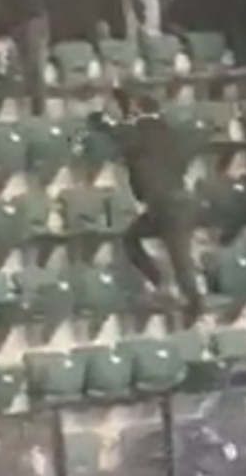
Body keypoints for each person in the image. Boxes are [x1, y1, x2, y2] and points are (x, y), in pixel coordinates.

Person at [88, 88, 202, 321]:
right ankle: (167, 287)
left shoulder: (139, 131)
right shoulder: (168, 131)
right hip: (178, 201)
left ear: (138, 110)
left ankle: (191, 303)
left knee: (177, 258)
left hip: (165, 205)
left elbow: (116, 132)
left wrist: (99, 120)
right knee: (142, 240)